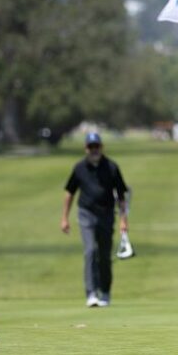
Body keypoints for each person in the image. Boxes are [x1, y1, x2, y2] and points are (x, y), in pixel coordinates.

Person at [61, 132, 129, 307]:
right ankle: (91, 293)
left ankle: (105, 292)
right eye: (91, 147)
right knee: (90, 250)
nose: (94, 150)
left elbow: (121, 196)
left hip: (106, 215)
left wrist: (123, 219)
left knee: (104, 256)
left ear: (101, 147)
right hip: (86, 214)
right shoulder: (79, 168)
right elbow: (69, 192)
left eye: (96, 146)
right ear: (86, 148)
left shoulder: (112, 167)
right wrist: (64, 218)